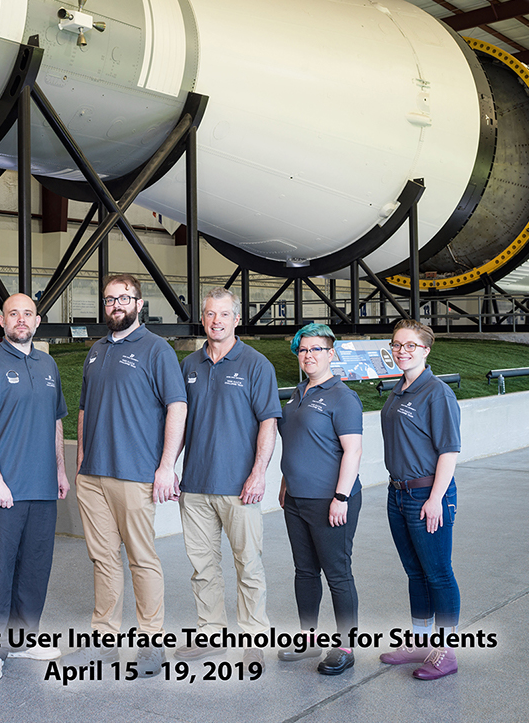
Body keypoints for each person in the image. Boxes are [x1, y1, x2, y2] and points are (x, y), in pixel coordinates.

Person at [68, 273, 187, 677]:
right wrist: (82, 459)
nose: (115, 305)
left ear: (139, 302)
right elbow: (84, 409)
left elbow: (177, 407)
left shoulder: (157, 350)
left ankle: (152, 642)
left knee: (142, 559)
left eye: (123, 298)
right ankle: (102, 642)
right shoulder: (96, 350)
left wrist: (167, 466)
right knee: (103, 560)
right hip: (93, 476)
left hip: (135, 474)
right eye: (109, 299)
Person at [171, 287, 280, 670]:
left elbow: (269, 422)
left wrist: (258, 475)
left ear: (237, 319)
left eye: (223, 314)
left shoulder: (255, 365)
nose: (215, 321)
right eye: (209, 314)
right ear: (203, 318)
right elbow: (178, 423)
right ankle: (211, 634)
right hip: (195, 486)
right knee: (203, 568)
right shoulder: (189, 366)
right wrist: (169, 468)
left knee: (248, 565)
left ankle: (254, 638)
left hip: (239, 488)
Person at [0, 293, 69, 681]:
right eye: (14, 314)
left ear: (38, 321)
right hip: (2, 491)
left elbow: (57, 421)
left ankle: (23, 640)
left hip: (42, 488)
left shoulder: (48, 364)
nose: (21, 320)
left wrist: (59, 471)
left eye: (28, 314)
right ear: (2, 321)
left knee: (34, 569)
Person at [277, 323, 363, 675]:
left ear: (331, 353)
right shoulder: (297, 394)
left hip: (331, 500)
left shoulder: (342, 397)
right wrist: (285, 481)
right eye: (303, 350)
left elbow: (353, 451)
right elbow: (297, 444)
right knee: (305, 571)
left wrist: (341, 496)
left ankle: (347, 646)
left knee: (337, 574)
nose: (308, 356)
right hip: (296, 498)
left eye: (316, 349)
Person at [379, 318, 461, 680]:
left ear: (426, 350)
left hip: (427, 495)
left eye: (410, 345)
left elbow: (449, 451)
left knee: (438, 573)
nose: (401, 351)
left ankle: (447, 651)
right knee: (415, 572)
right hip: (398, 493)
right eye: (397, 344)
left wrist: (435, 499)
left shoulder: (436, 392)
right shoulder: (398, 390)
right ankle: (421, 642)